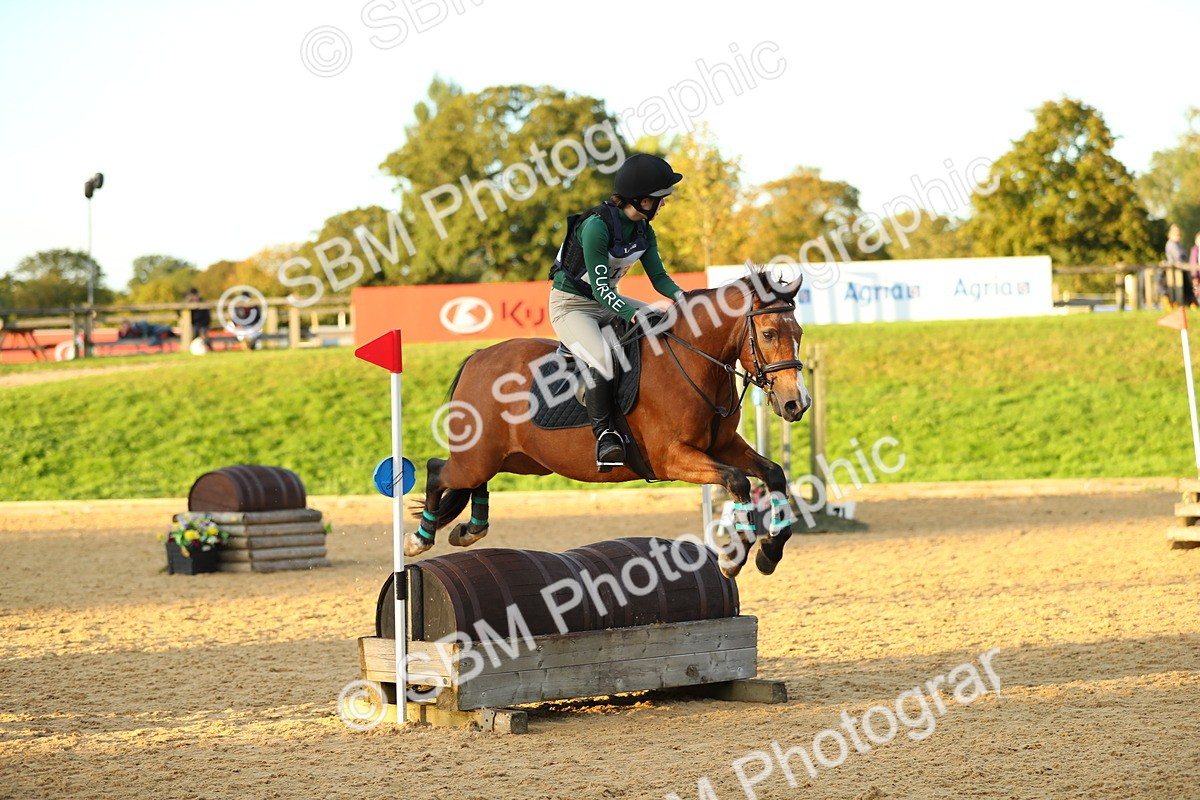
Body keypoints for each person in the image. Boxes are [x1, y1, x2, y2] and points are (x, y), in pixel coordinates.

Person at [549, 153, 685, 469]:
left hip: (607, 303)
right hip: (572, 307)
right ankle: (605, 435)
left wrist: (688, 299)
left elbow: (660, 279)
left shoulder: (644, 232)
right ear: (642, 200)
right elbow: (600, 290)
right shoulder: (596, 227)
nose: (663, 204)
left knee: (665, 322)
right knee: (603, 358)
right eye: (660, 199)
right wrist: (633, 314)